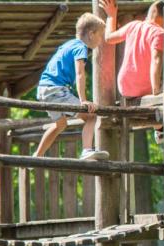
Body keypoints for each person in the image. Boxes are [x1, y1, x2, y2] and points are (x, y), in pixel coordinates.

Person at [34, 13, 109, 161]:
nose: (101, 41)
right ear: (91, 34)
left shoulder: (68, 44)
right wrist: (83, 101)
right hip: (55, 89)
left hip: (44, 89)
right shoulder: (81, 47)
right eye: (100, 36)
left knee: (60, 125)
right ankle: (87, 150)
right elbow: (80, 72)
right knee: (91, 116)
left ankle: (37, 156)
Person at [100, 0, 164, 99]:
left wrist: (111, 16)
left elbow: (108, 38)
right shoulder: (159, 33)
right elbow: (156, 60)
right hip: (143, 89)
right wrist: (156, 92)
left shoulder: (133, 25)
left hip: (124, 86)